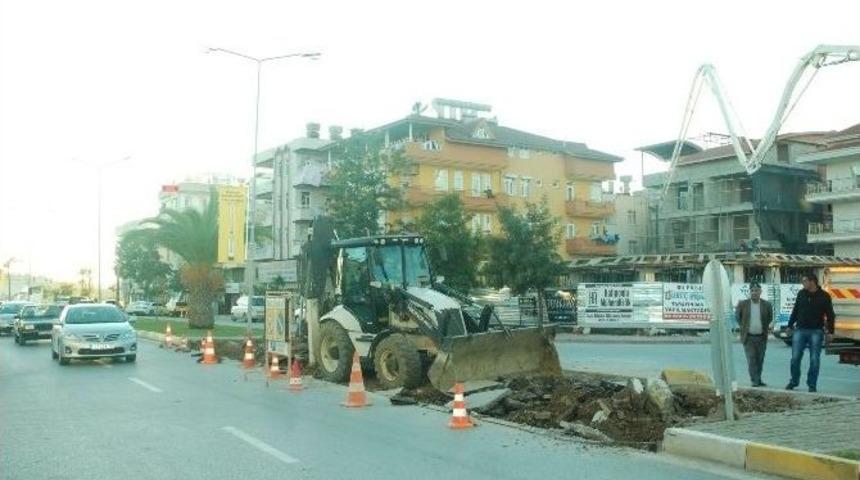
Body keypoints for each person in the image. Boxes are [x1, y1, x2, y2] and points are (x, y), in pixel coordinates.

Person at [786, 273, 835, 393]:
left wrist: (830, 332)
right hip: (800, 329)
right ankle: (794, 381)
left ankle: (812, 384)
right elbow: (795, 310)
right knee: (795, 358)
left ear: (812, 281)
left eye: (805, 281)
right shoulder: (801, 294)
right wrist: (789, 325)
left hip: (816, 331)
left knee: (814, 359)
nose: (803, 284)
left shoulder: (824, 296)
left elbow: (830, 315)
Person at [736, 282, 772, 387]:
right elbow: (738, 317)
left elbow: (769, 318)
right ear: (750, 292)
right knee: (751, 359)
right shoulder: (743, 304)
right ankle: (754, 380)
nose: (754, 293)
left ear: (760, 292)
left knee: (760, 359)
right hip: (749, 337)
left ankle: (758, 379)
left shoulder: (766, 305)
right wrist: (744, 327)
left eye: (756, 291)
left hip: (761, 337)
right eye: (752, 291)